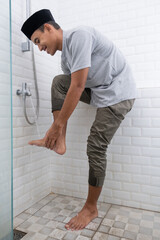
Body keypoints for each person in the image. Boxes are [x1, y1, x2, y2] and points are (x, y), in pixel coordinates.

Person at [21, 9, 136, 231]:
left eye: (38, 41)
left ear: (48, 27)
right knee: (58, 82)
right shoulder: (66, 60)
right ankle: (59, 140)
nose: (39, 48)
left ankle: (91, 208)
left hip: (120, 94)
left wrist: (55, 125)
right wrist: (58, 127)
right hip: (101, 93)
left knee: (95, 146)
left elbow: (79, 86)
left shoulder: (80, 35)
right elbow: (72, 85)